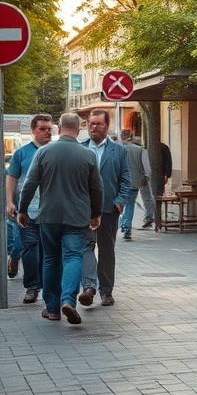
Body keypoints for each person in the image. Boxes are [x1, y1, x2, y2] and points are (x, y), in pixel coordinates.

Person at [18, 112, 103, 325]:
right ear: (80, 128)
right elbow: (97, 188)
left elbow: (29, 184)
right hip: (77, 216)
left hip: (49, 215)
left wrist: (23, 209)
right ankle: (68, 301)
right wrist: (95, 213)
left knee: (50, 259)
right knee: (73, 256)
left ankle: (53, 308)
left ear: (58, 127)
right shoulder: (88, 155)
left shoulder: (44, 152)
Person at [79, 109, 132, 307]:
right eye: (91, 124)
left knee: (107, 250)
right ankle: (89, 288)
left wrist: (119, 202)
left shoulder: (119, 151)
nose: (93, 127)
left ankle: (106, 291)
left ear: (107, 126)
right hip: (83, 209)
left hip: (108, 210)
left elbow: (126, 179)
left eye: (98, 124)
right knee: (86, 247)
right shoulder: (81, 148)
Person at [5, 114, 53, 303]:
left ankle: (48, 287)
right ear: (33, 130)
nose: (47, 132)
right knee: (30, 248)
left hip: (51, 210)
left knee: (49, 250)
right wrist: (10, 201)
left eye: (49, 128)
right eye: (42, 128)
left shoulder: (55, 151)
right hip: (28, 209)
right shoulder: (22, 153)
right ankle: (32, 287)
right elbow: (12, 177)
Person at [119, 129, 155, 237]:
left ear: (121, 137)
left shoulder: (117, 150)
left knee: (119, 204)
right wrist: (145, 177)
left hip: (121, 182)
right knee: (130, 204)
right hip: (135, 181)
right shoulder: (140, 150)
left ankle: (124, 224)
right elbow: (147, 168)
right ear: (131, 136)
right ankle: (126, 226)